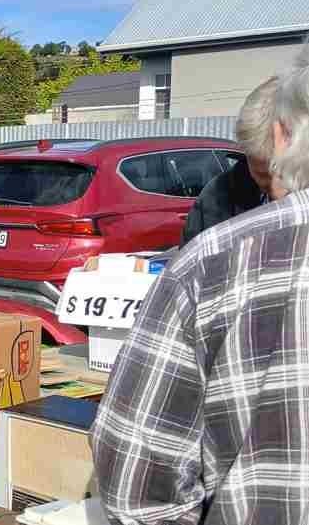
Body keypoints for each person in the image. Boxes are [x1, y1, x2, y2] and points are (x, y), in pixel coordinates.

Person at [92, 44, 309, 525]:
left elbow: (138, 482)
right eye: (260, 178)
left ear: (283, 135)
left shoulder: (215, 260)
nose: (272, 194)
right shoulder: (221, 203)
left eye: (272, 176)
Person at [180, 76, 280, 244]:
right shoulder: (217, 197)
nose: (276, 191)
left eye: (283, 173)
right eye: (263, 175)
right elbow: (192, 254)